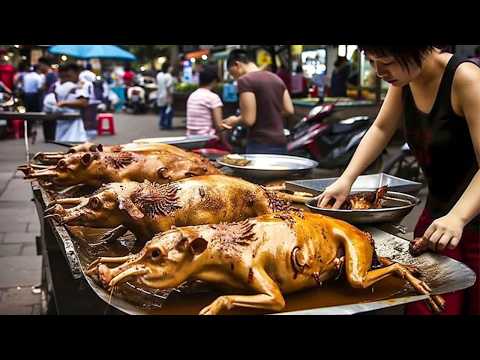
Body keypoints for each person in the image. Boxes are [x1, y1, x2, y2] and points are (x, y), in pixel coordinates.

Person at [317, 46, 480, 315]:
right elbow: (381, 129)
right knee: (427, 305)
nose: (379, 72)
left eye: (387, 61)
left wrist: (458, 218)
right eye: (372, 62)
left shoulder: (467, 80)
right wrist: (346, 179)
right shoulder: (404, 80)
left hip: (471, 222)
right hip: (437, 218)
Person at [222, 49, 295, 154]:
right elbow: (289, 110)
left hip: (260, 143)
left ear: (237, 64)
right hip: (281, 142)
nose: (235, 78)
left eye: (233, 74)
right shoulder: (276, 78)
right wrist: (268, 113)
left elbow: (249, 119)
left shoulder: (245, 80)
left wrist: (234, 120)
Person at [186, 65, 232, 151]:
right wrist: (226, 143)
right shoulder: (213, 97)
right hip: (206, 141)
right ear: (214, 81)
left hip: (190, 139)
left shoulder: (192, 95)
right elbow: (219, 126)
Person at [53, 63, 89, 143]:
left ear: (77, 73)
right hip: (61, 122)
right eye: (62, 76)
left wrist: (64, 103)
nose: (65, 79)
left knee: (75, 148)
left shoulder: (82, 85)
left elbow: (83, 102)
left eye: (68, 76)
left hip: (75, 123)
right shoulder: (57, 85)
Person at [37, 57, 58, 141]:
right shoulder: (49, 74)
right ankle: (50, 137)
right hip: (49, 99)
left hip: (49, 100)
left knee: (48, 118)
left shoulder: (50, 74)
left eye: (40, 65)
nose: (39, 67)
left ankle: (49, 137)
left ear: (45, 65)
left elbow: (44, 87)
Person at [156, 62, 175, 130]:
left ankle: (162, 124)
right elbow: (168, 87)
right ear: (168, 68)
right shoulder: (168, 76)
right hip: (166, 95)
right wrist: (170, 97)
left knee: (162, 110)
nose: (172, 68)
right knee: (169, 110)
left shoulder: (159, 75)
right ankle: (168, 125)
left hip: (160, 95)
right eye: (171, 67)